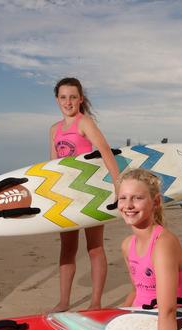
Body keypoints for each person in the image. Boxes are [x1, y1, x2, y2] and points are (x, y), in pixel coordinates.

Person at [49, 77, 120, 312]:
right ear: (57, 99)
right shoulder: (54, 130)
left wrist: (117, 182)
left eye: (72, 97)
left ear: (80, 99)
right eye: (63, 97)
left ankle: (96, 302)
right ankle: (63, 301)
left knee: (94, 247)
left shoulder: (85, 123)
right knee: (67, 249)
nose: (67, 101)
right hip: (66, 195)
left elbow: (106, 151)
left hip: (90, 191)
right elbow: (52, 166)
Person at [118, 168, 182, 330]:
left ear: (155, 202)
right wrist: (117, 319)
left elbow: (168, 311)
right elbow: (136, 290)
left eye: (137, 198)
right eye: (123, 198)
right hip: (139, 327)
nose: (128, 205)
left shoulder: (162, 243)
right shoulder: (127, 245)